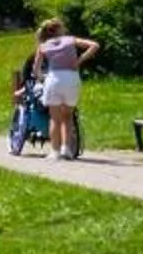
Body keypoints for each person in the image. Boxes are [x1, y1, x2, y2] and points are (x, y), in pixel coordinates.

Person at [33, 17, 101, 160]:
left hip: (53, 79)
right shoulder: (71, 40)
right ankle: (66, 149)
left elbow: (36, 69)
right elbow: (94, 45)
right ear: (59, 29)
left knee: (55, 118)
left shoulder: (43, 46)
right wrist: (79, 60)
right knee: (68, 116)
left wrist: (41, 78)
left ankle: (54, 151)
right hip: (71, 78)